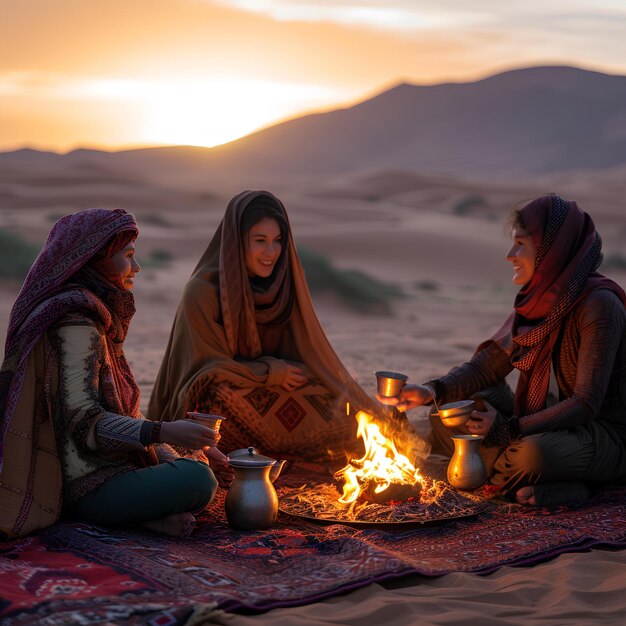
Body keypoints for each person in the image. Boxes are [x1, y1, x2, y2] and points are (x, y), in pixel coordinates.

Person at [378, 194, 626, 506]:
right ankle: (528, 478)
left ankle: (575, 487)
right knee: (452, 408)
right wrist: (429, 391)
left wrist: (508, 429)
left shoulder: (598, 304)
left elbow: (584, 405)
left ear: (552, 251)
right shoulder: (539, 301)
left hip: (602, 435)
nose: (510, 254)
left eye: (521, 243)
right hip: (536, 421)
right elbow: (487, 367)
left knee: (531, 455)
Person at [0, 208, 218, 540]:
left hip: (109, 467)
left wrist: (174, 440)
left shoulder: (92, 313)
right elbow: (85, 422)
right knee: (199, 480)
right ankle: (125, 516)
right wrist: (163, 432)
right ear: (98, 260)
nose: (137, 267)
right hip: (86, 485)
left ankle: (145, 515)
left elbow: (119, 408)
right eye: (128, 256)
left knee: (194, 457)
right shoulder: (77, 323)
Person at [148, 190, 401, 463]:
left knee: (345, 408)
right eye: (260, 241)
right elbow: (202, 375)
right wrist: (268, 372)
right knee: (216, 404)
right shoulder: (202, 291)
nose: (271, 252)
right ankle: (266, 452)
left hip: (277, 392)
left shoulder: (284, 285)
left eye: (278, 241)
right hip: (231, 394)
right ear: (236, 242)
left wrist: (300, 374)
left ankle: (276, 450)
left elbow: (310, 352)